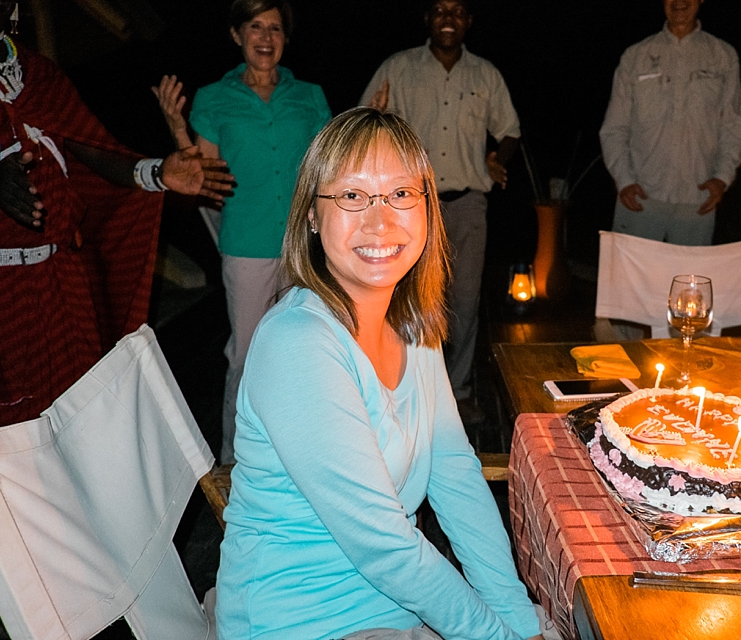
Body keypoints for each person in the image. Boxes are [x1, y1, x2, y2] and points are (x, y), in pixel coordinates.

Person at [214, 107, 541, 640]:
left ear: (428, 206)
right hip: (300, 623)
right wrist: (496, 635)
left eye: (400, 194)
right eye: (352, 195)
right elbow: (386, 548)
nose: (379, 221)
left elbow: (454, 473)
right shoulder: (299, 342)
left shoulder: (411, 322)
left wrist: (519, 619)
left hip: (397, 609)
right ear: (312, 216)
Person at [0, 1, 232, 427]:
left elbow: (89, 146)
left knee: (91, 410)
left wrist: (158, 173)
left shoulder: (38, 73)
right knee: (18, 433)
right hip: (3, 290)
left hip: (63, 279)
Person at [154, 0, 331, 463]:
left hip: (304, 248)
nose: (266, 37)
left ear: (286, 38)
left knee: (305, 351)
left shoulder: (310, 95)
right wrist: (176, 127)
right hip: (247, 246)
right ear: (237, 35)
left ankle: (298, 455)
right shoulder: (214, 98)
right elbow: (204, 176)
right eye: (255, 26)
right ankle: (236, 460)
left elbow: (327, 170)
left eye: (275, 28)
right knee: (247, 356)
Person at [360, 0, 520, 424]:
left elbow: (510, 129)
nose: (448, 19)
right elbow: (365, 122)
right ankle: (403, 391)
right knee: (407, 299)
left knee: (464, 302)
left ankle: (459, 391)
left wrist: (496, 157)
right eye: (439, 10)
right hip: (411, 206)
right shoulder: (398, 68)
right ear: (426, 18)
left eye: (458, 11)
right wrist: (377, 120)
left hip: (468, 205)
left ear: (469, 21)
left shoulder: (485, 74)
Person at [599, 0, 741, 246]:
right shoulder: (635, 56)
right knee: (634, 272)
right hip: (640, 197)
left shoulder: (723, 56)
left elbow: (732, 125)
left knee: (690, 271)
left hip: (698, 198)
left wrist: (722, 177)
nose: (679, 1)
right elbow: (614, 128)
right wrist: (624, 180)